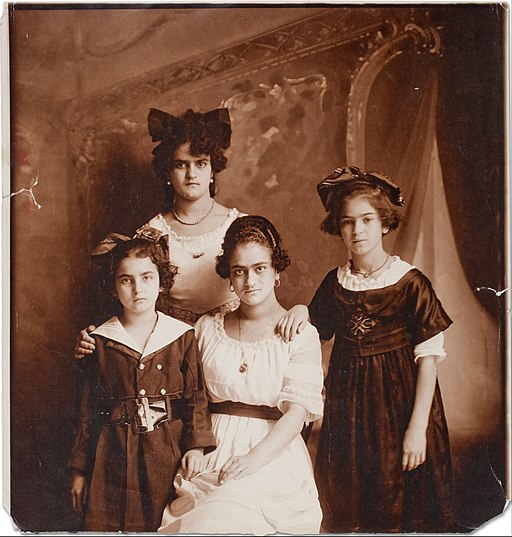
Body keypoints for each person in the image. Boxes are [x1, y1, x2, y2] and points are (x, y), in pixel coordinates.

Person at [277, 166, 455, 533]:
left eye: (367, 220)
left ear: (385, 224)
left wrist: (417, 427)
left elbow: (428, 361)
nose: (357, 231)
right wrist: (298, 309)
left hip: (401, 406)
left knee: (401, 497)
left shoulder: (410, 284)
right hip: (349, 410)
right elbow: (312, 330)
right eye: (348, 222)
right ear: (338, 228)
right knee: (348, 496)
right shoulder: (335, 283)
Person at [158, 215, 324, 535]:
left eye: (260, 268)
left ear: (276, 271)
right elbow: (192, 398)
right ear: (229, 277)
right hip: (212, 445)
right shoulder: (207, 328)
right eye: (240, 271)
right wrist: (194, 446)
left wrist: (253, 460)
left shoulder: (299, 333)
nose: (250, 281)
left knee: (233, 514)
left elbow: (297, 413)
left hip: (272, 451)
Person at [68, 227, 216, 532]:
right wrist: (80, 470)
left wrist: (195, 447)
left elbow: (196, 398)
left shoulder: (181, 337)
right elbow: (87, 413)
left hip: (167, 452)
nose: (138, 289)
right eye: (127, 280)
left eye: (147, 277)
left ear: (161, 281)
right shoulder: (101, 341)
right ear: (113, 287)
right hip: (111, 456)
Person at [74, 106, 245, 357]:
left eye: (201, 163)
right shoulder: (150, 234)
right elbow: (132, 302)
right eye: (181, 164)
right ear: (167, 172)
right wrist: (96, 337)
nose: (191, 174)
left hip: (233, 347)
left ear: (212, 169)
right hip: (172, 353)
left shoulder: (240, 226)